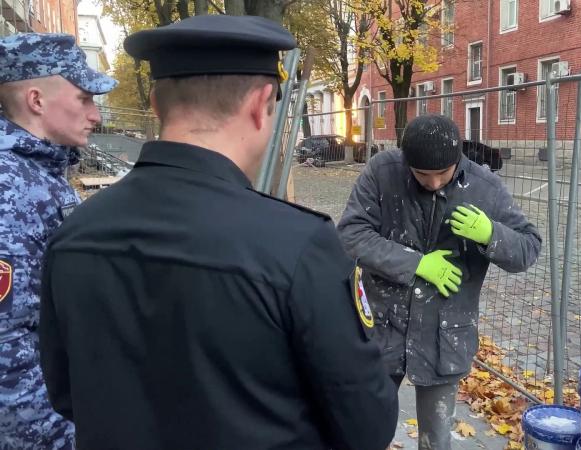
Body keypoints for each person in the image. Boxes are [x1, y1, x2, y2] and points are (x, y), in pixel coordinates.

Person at [38, 15, 398, 450]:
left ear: (154, 103)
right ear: (261, 103)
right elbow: (367, 424)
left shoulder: (73, 234)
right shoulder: (297, 246)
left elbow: (64, 393)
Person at [337, 114, 542, 450]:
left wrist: (491, 234)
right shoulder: (383, 172)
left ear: (457, 160)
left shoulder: (483, 187)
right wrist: (416, 263)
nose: (432, 183)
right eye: (421, 175)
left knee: (436, 441)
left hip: (444, 336)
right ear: (406, 163)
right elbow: (350, 236)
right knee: (364, 431)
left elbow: (529, 248)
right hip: (381, 329)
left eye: (442, 174)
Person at [0, 33, 117, 449]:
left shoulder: (38, 175)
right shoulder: (9, 188)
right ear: (36, 101)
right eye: (84, 99)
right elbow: (6, 350)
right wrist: (63, 440)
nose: (96, 115)